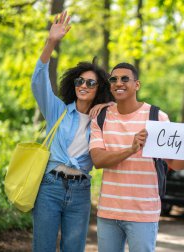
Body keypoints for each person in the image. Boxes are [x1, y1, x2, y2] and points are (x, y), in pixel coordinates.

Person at [89, 62, 184, 252]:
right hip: (109, 211)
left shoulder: (156, 117)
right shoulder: (101, 118)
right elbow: (98, 160)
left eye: (125, 78)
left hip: (143, 212)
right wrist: (131, 149)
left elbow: (175, 163)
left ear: (137, 85)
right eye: (114, 79)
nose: (119, 83)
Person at [31, 11, 113, 252]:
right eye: (80, 81)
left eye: (90, 83)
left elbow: (129, 111)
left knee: (74, 248)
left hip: (80, 191)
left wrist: (109, 105)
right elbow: (38, 80)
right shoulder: (57, 110)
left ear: (99, 89)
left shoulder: (104, 118)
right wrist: (51, 42)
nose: (83, 86)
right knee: (43, 247)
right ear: (73, 84)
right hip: (50, 186)